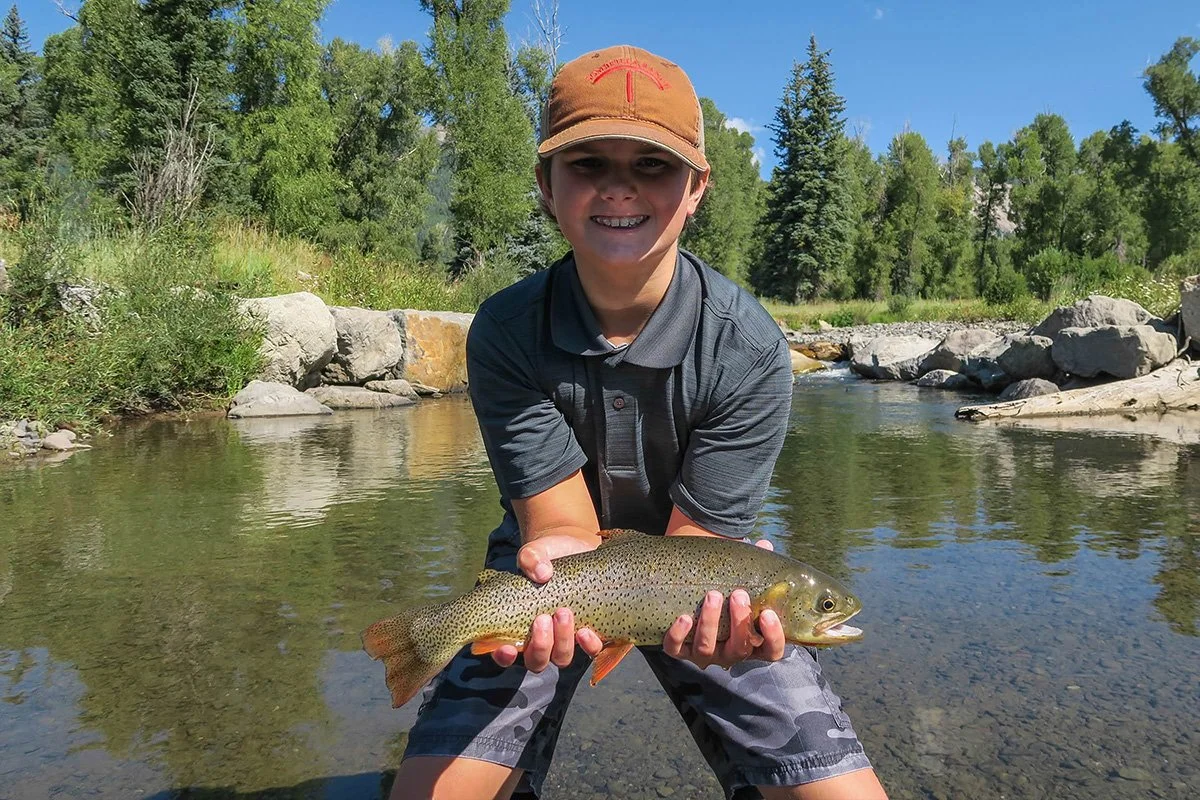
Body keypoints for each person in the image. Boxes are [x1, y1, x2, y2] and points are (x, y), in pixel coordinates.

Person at [391, 44, 888, 800]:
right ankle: (435, 644)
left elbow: (697, 545)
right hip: (547, 563)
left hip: (701, 571)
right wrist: (549, 572)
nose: (620, 187)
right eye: (589, 163)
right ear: (545, 187)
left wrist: (722, 622)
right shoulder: (504, 329)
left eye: (653, 166)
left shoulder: (750, 346)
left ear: (697, 188)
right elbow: (560, 526)